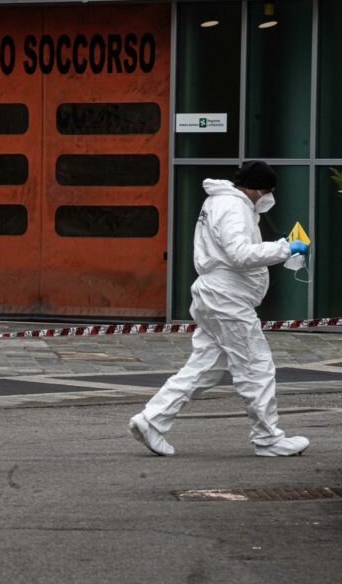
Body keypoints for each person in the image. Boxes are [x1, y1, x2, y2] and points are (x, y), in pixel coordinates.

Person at [129, 160, 311, 457]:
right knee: (256, 366)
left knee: (205, 367)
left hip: (216, 295)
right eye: (268, 191)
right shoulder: (234, 206)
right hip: (228, 299)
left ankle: (152, 419)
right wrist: (285, 248)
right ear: (254, 190)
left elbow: (232, 251)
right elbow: (238, 254)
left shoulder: (221, 203)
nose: (269, 197)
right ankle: (268, 439)